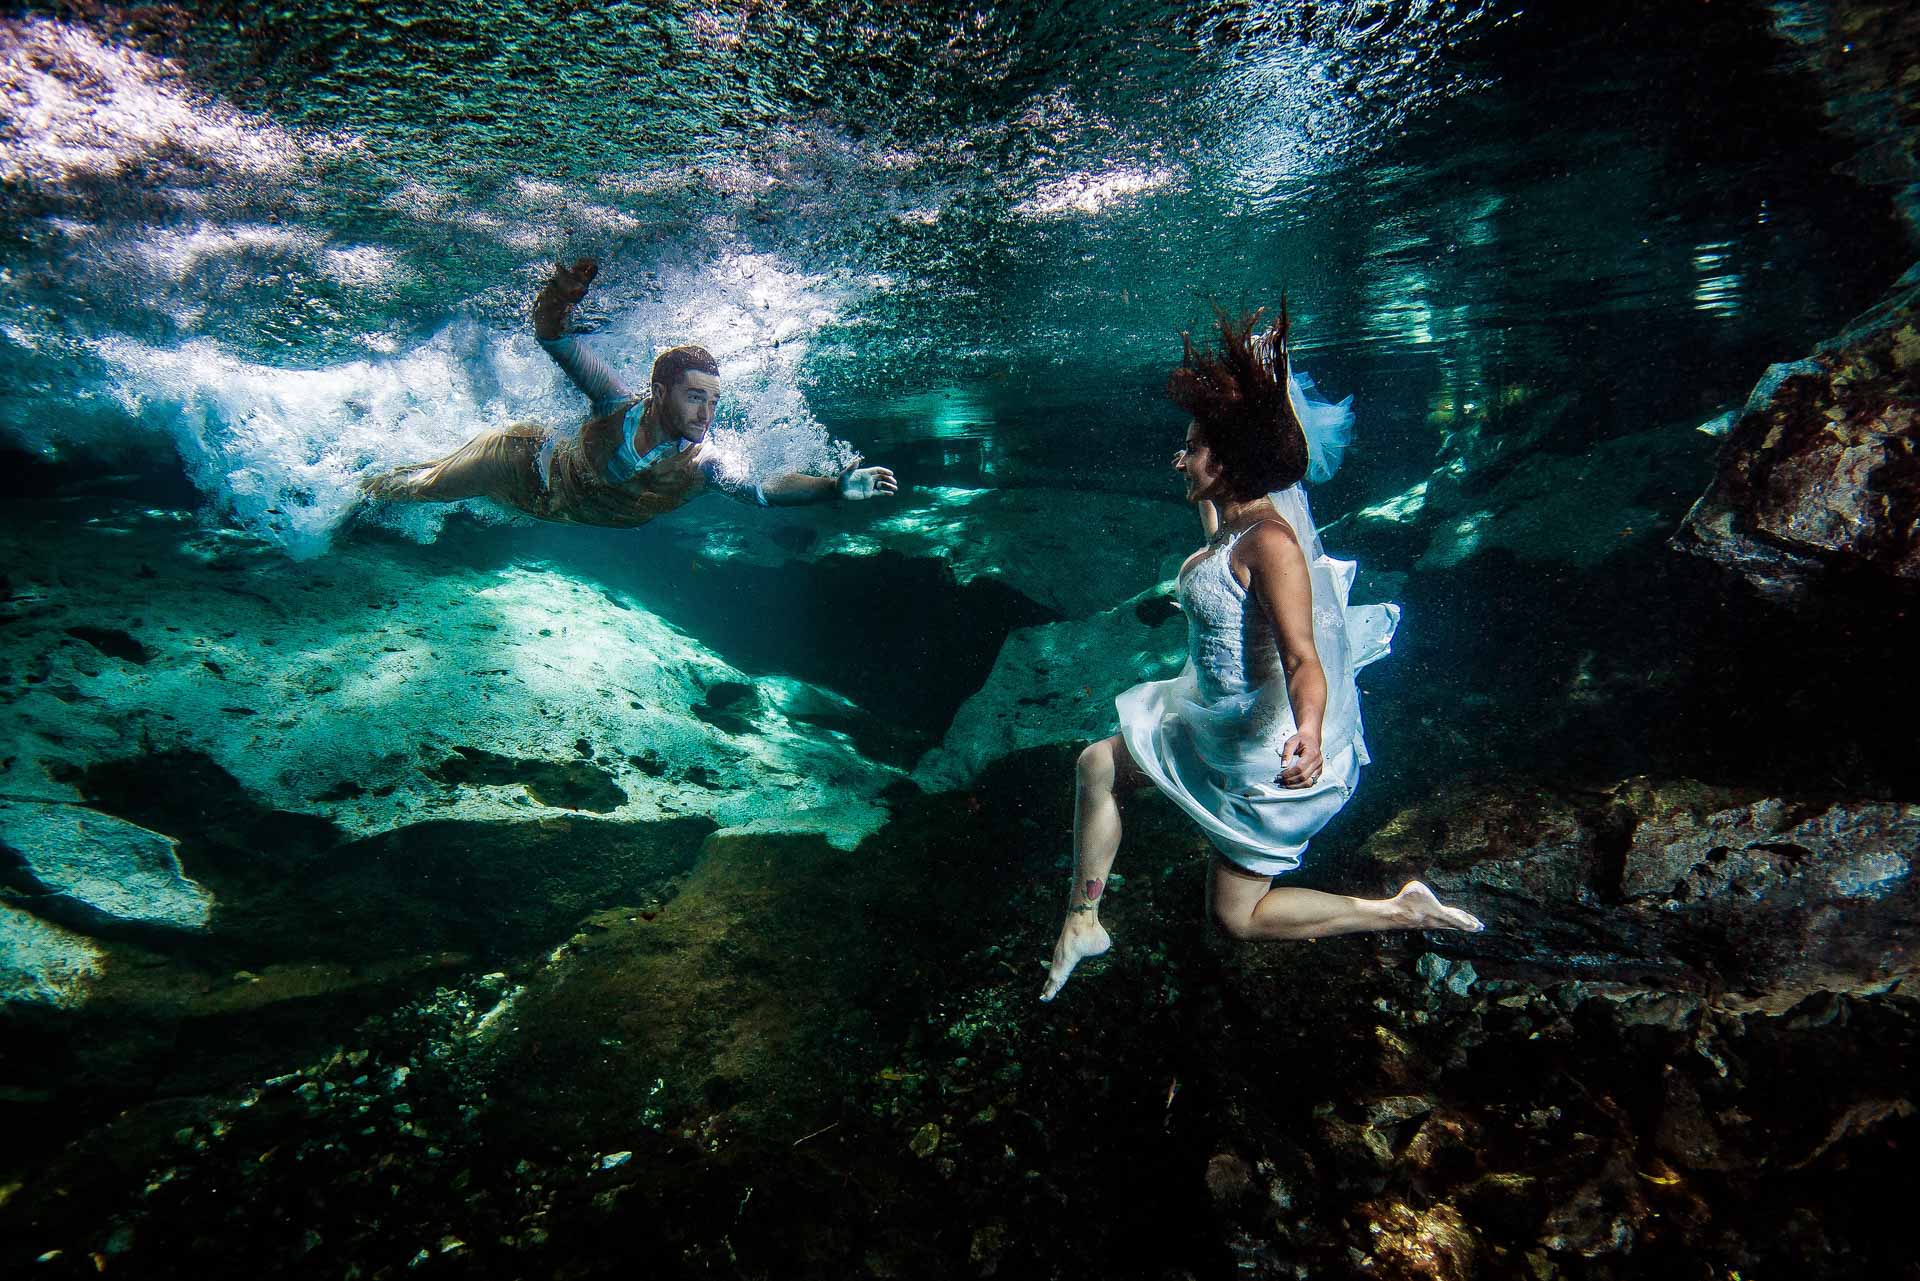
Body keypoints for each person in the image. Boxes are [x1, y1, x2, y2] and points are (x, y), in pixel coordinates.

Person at [1040, 302, 1481, 1003]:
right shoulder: (1233, 524)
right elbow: (1218, 546)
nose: (1181, 458)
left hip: (1257, 753)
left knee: (1237, 917)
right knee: (1099, 763)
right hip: (1213, 720)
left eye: (1193, 448)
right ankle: (1083, 919)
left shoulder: (1271, 544)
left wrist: (1307, 732)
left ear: (1231, 462)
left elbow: (1304, 657)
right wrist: (1210, 483)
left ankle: (1398, 910)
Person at [360, 259, 898, 525]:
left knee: (428, 483)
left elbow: (760, 487)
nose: (706, 412)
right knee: (418, 489)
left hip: (551, 505)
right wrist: (558, 298)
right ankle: (345, 496)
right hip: (515, 465)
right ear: (659, 391)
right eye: (694, 396)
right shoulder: (616, 402)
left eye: (713, 400)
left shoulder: (705, 460)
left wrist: (832, 486)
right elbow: (554, 339)